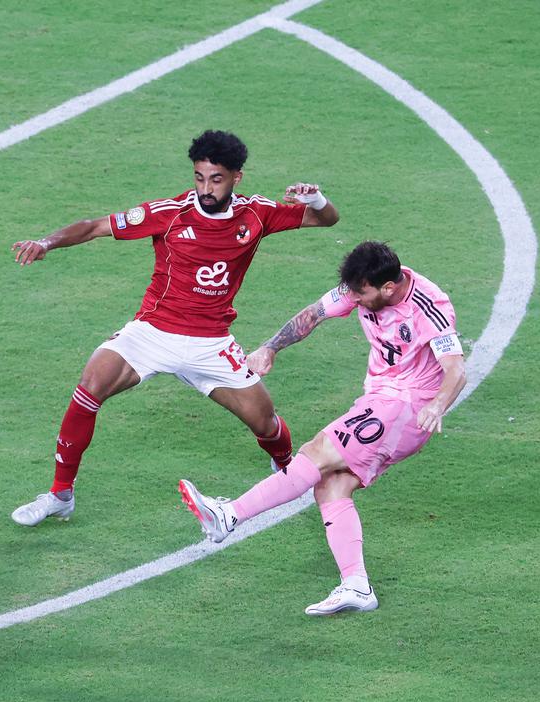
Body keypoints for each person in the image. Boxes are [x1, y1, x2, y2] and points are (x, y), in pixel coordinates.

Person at [10, 130, 340, 526]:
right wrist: (46, 242)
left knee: (264, 421)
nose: (205, 188)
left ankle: (290, 473)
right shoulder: (169, 212)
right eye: (199, 177)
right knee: (90, 385)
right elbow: (95, 226)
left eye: (215, 179)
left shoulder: (256, 214)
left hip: (211, 342)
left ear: (237, 177)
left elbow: (326, 219)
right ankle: (60, 494)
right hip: (153, 332)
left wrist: (315, 199)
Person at [178, 241, 466, 615]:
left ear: (389, 289)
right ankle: (357, 586)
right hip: (378, 399)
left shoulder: (430, 305)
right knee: (331, 485)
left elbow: (456, 369)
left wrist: (438, 405)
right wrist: (270, 348)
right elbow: (313, 314)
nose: (356, 301)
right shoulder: (363, 286)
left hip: (408, 406)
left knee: (316, 451)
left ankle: (228, 516)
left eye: (362, 295)